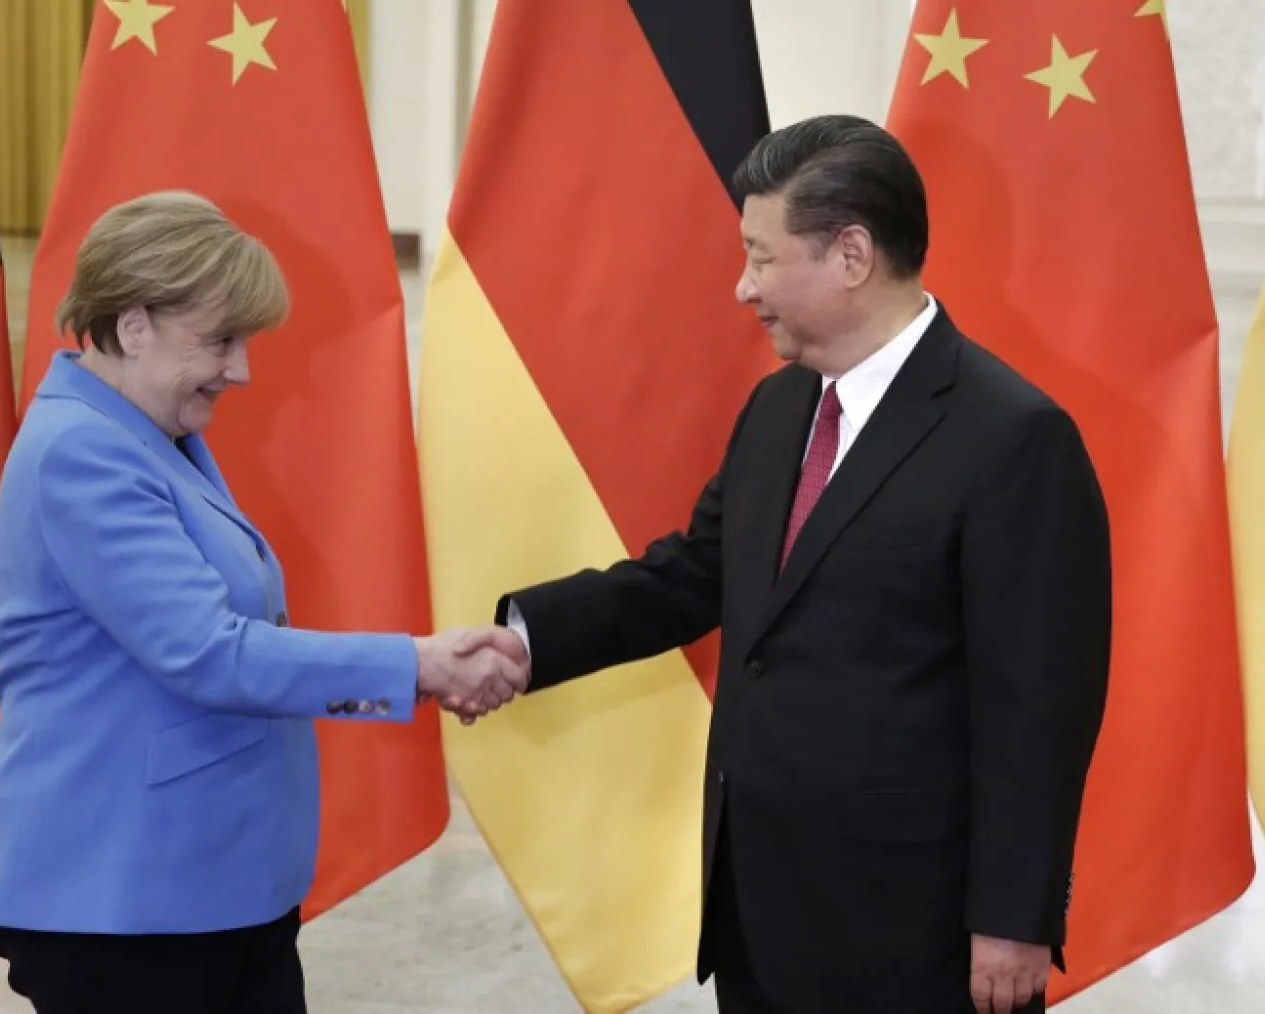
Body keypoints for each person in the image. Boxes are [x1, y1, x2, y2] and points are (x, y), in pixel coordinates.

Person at [458, 115, 1113, 1012]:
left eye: (761, 258)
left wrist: (1015, 914)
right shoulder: (777, 409)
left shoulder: (1013, 437)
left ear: (851, 255)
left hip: (911, 930)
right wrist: (525, 643)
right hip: (758, 907)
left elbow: (1039, 707)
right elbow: (694, 574)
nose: (742, 287)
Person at [0, 190, 524, 1014]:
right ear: (132, 326)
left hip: (204, 884)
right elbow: (209, 650)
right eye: (220, 340)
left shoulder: (148, 433)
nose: (242, 369)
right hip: (124, 896)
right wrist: (417, 665)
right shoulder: (83, 454)